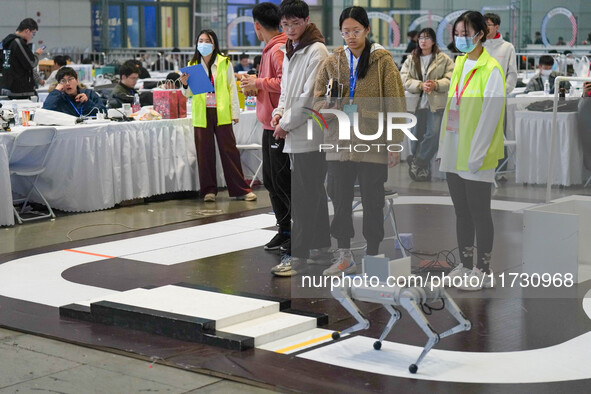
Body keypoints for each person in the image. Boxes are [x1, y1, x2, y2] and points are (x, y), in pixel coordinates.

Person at [313, 6, 406, 276]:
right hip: (339, 142)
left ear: (366, 30)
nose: (350, 36)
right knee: (339, 199)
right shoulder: (332, 62)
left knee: (372, 200)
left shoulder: (382, 62)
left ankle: (373, 254)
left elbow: (396, 102)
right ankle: (344, 255)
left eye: (355, 31)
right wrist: (328, 105)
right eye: (345, 32)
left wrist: (394, 142)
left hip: (372, 142)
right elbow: (316, 100)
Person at [437, 11, 506, 291]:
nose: (461, 38)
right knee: (461, 212)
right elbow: (451, 110)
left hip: (477, 155)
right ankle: (465, 265)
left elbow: (490, 117)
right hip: (455, 150)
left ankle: (483, 269)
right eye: (457, 33)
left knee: (480, 212)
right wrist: (445, 147)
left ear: (481, 34)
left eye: (466, 33)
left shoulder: (492, 70)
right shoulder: (460, 63)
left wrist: (476, 156)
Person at [269, 0, 330, 276]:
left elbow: (309, 96)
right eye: (285, 24)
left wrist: (286, 123)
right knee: (312, 193)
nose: (290, 29)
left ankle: (299, 255)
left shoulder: (317, 51)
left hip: (309, 133)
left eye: (295, 23)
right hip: (295, 129)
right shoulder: (291, 47)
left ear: (306, 20)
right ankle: (320, 247)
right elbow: (286, 89)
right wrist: (279, 112)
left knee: (305, 196)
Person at [180, 29, 256, 203]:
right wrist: (184, 84)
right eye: (201, 40)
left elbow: (231, 88)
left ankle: (241, 189)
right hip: (202, 113)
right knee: (204, 152)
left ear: (214, 44)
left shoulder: (225, 63)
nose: (204, 43)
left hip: (221, 112)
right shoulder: (193, 64)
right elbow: (188, 93)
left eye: (207, 40)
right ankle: (209, 190)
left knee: (229, 151)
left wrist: (235, 112)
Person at [240, 2, 290, 253]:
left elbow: (285, 83)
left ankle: (291, 231)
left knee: (281, 181)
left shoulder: (278, 48)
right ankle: (283, 230)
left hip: (278, 125)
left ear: (258, 26)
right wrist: (256, 85)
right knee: (271, 181)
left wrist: (258, 81)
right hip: (267, 123)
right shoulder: (272, 47)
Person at [401, 27, 454, 181]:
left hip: (435, 103)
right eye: (421, 38)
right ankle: (422, 170)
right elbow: (404, 78)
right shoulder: (411, 58)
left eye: (427, 38)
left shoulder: (443, 58)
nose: (423, 41)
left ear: (433, 41)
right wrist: (419, 85)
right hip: (416, 103)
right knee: (415, 137)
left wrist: (436, 84)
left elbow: (451, 78)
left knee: (433, 134)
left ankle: (418, 161)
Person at [1, 18, 44, 99]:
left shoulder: (6, 42)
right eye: (33, 33)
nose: (32, 37)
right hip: (19, 89)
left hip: (7, 86)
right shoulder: (18, 43)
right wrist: (37, 54)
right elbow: (31, 63)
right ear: (27, 31)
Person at [483, 13, 517, 94]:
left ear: (496, 27)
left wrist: (504, 90)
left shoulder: (507, 47)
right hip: (478, 95)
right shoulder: (477, 46)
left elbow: (512, 73)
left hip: (498, 94)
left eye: (488, 24)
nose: (485, 27)